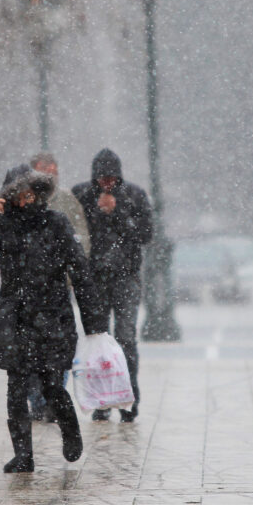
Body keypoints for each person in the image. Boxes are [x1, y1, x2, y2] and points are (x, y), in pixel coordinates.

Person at [0, 164, 107, 473]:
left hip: (52, 316)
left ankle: (70, 431)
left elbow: (79, 272)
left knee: (51, 386)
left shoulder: (55, 222)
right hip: (15, 316)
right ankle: (23, 455)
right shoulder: (1, 223)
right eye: (18, 195)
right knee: (16, 388)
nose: (25, 200)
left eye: (30, 194)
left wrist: (94, 323)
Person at [72, 148, 152, 423]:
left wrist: (118, 213)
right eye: (102, 179)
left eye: (111, 179)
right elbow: (75, 233)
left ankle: (129, 400)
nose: (107, 184)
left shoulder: (134, 195)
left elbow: (144, 233)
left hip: (125, 276)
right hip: (94, 279)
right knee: (98, 341)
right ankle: (101, 401)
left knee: (126, 339)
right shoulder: (82, 195)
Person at [25, 151, 90, 423]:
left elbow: (81, 236)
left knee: (59, 344)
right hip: (27, 286)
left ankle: (55, 399)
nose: (51, 172)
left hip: (58, 285)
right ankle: (37, 400)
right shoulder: (22, 197)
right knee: (30, 347)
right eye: (45, 168)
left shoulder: (66, 201)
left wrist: (72, 273)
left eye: (54, 168)